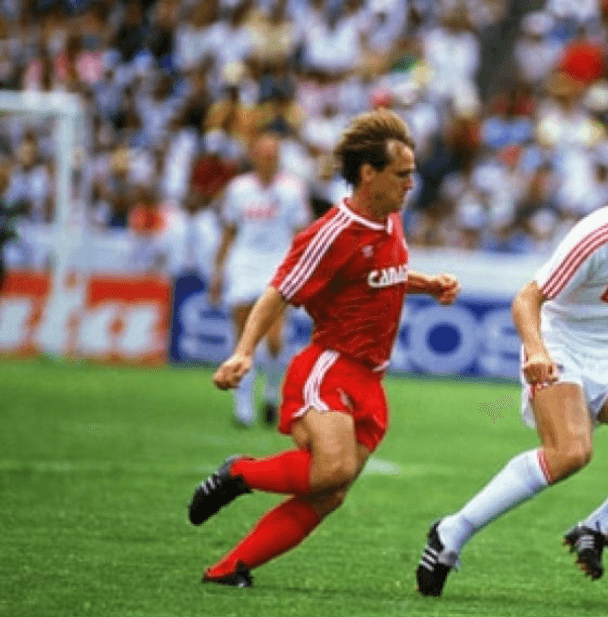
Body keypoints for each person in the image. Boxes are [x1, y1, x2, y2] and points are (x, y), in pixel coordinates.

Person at [414, 163, 608, 597]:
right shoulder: (603, 233)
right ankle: (451, 532)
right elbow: (528, 298)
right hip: (558, 345)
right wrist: (537, 351)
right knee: (570, 453)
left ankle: (596, 528)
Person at [187, 109, 460, 587]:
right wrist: (244, 351)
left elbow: (379, 276)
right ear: (369, 173)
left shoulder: (390, 219)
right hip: (329, 366)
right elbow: (279, 290)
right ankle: (240, 473)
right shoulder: (332, 232)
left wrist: (425, 284)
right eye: (402, 174)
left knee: (329, 493)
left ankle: (229, 569)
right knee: (332, 470)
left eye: (412, 173)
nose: (411, 183)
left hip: (370, 377)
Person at [209, 132, 311, 428]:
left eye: (273, 155)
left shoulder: (292, 190)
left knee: (275, 339)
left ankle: (271, 392)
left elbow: (300, 234)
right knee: (243, 337)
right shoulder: (238, 189)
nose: (269, 160)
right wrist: (218, 272)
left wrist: (302, 272)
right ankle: (243, 407)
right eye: (264, 154)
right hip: (244, 263)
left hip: (278, 263)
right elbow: (229, 232)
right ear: (253, 157)